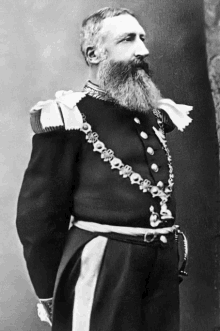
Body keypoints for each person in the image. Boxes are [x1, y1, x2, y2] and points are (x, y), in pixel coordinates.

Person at [16, 7, 192, 331]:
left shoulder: (152, 115)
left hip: (161, 266)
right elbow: (38, 219)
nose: (143, 49)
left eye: (142, 38)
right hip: (104, 268)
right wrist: (48, 292)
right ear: (94, 53)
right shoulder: (68, 117)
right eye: (128, 39)